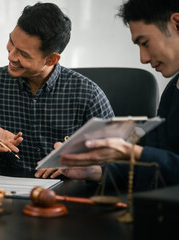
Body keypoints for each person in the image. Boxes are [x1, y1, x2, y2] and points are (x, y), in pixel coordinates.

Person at [0, 2, 114, 176]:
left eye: (23, 54)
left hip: (69, 192)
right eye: (11, 42)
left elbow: (117, 161)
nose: (11, 56)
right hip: (7, 189)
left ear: (51, 59)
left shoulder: (88, 95)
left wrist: (78, 162)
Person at [55, 0, 179, 190]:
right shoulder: (173, 90)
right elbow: (157, 171)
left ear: (176, 23)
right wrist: (94, 171)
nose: (143, 58)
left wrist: (130, 151)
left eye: (145, 43)